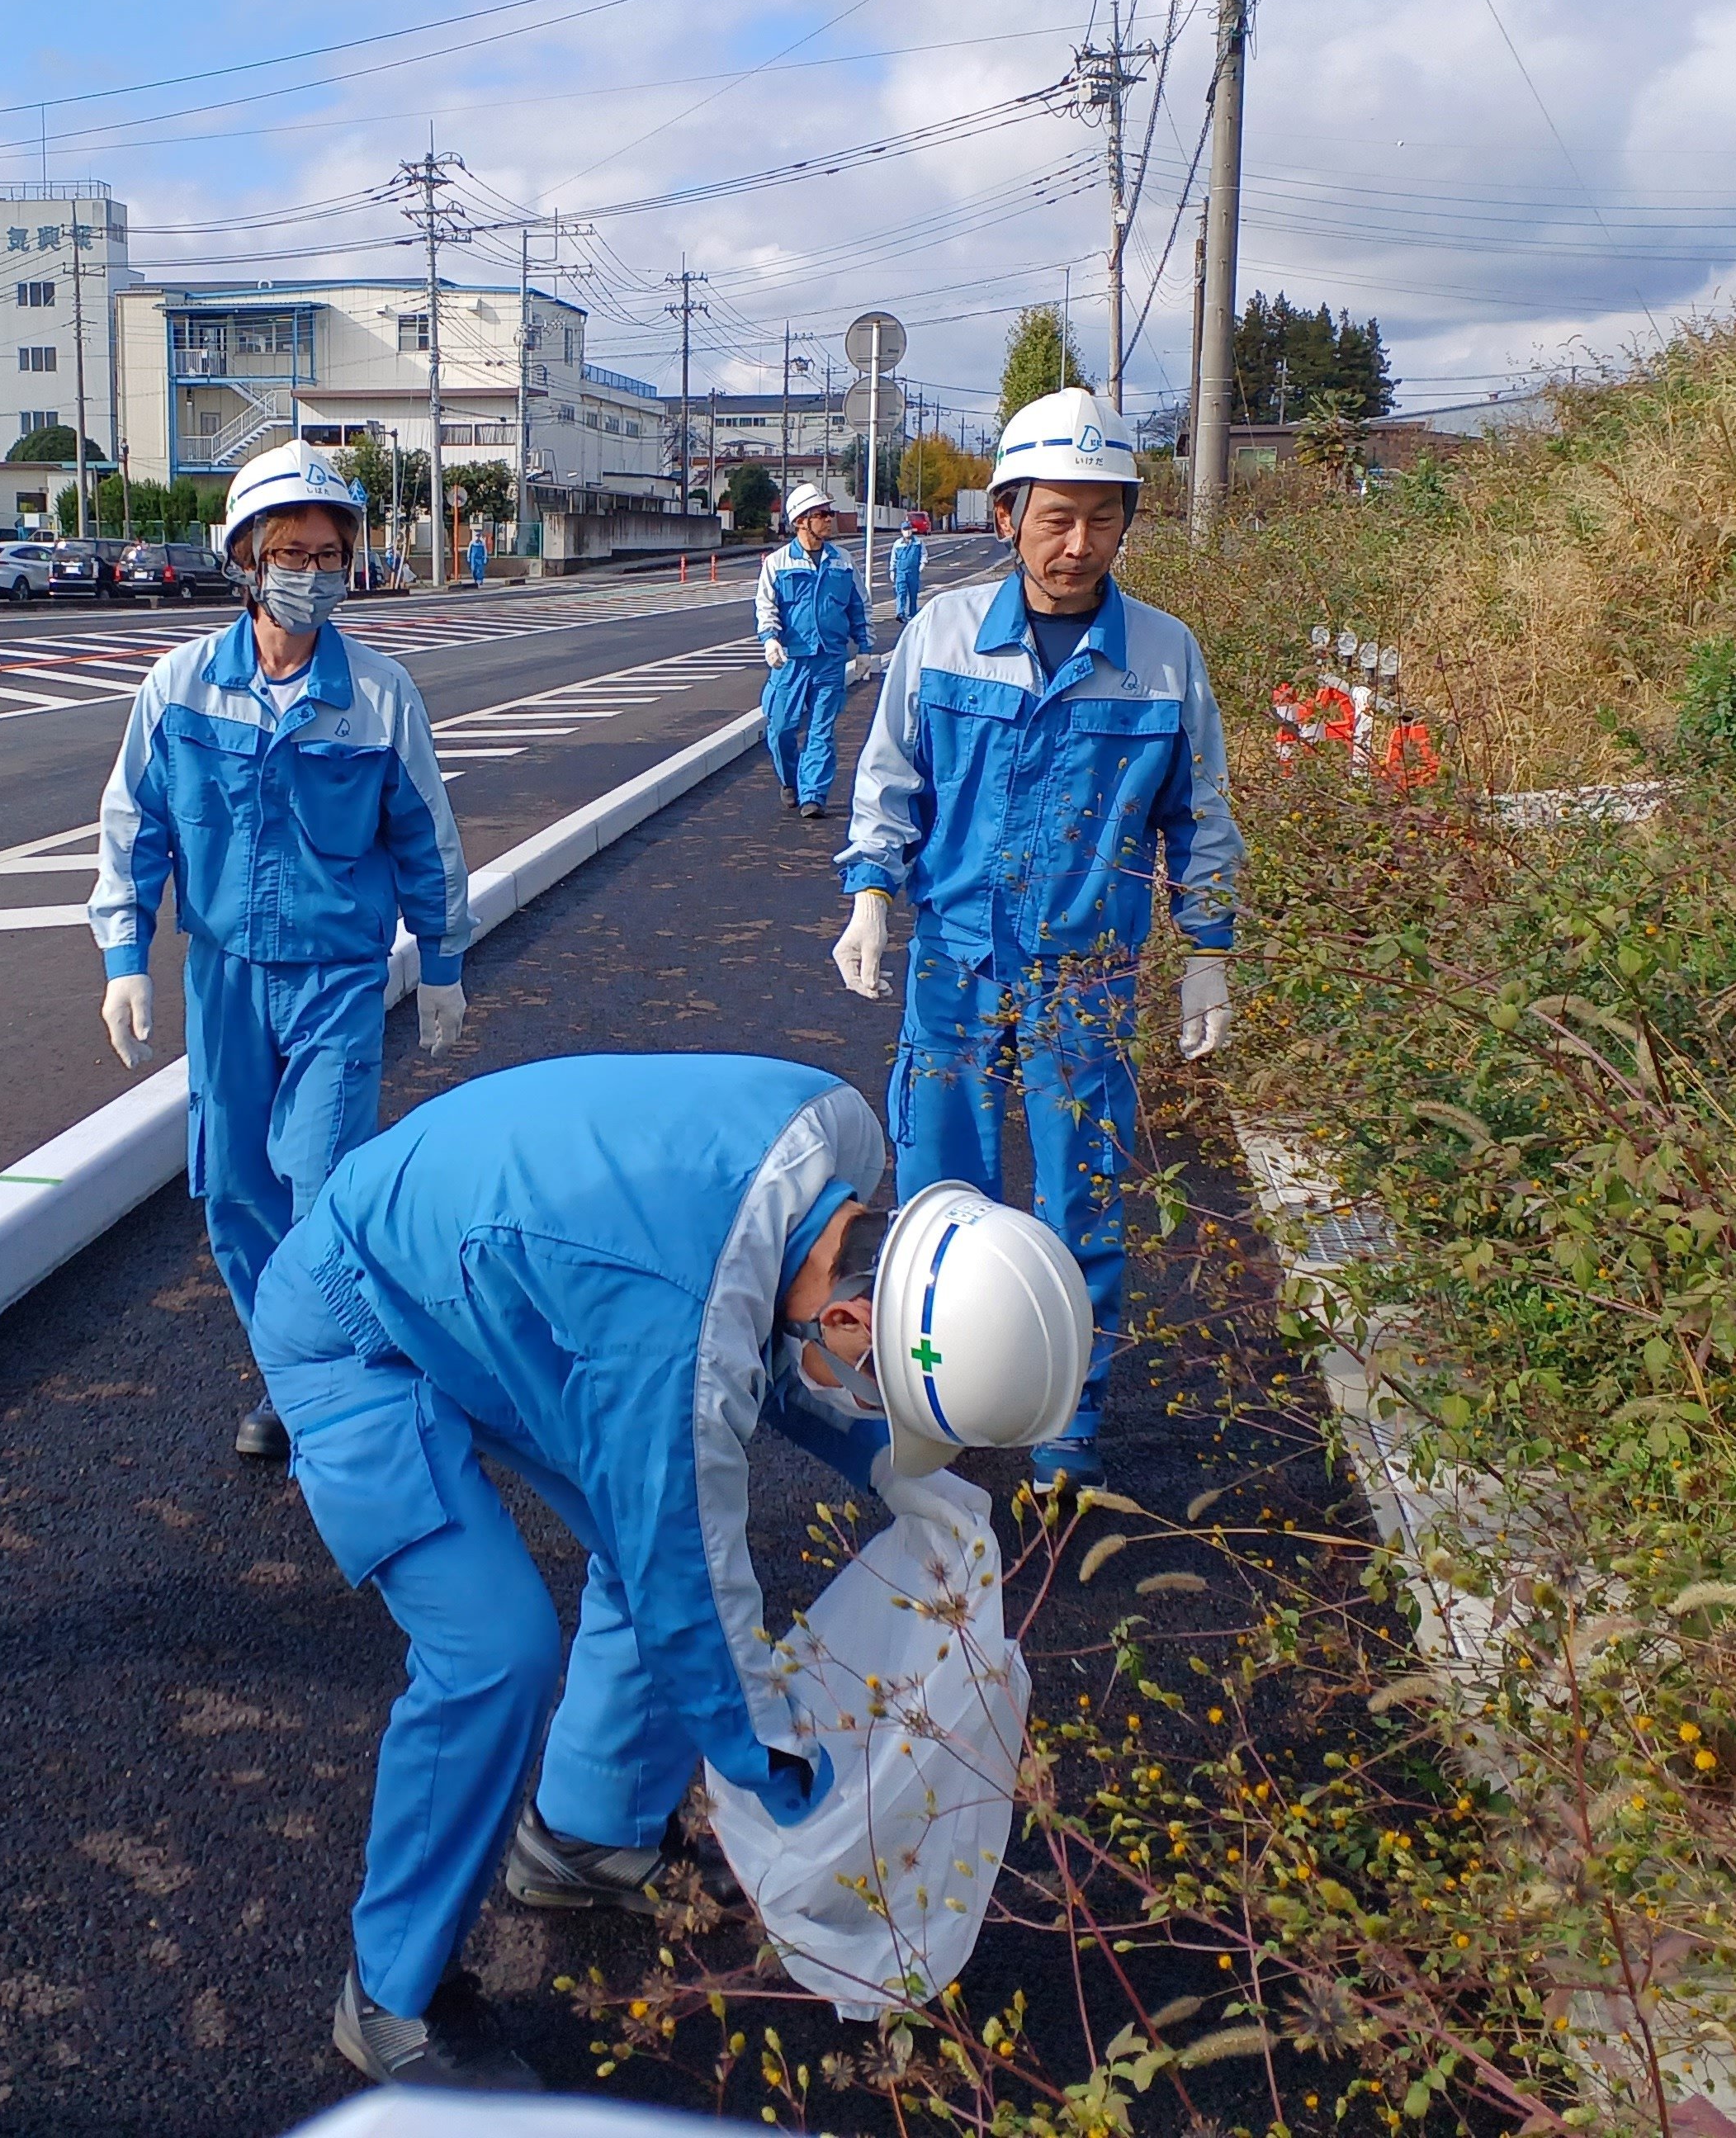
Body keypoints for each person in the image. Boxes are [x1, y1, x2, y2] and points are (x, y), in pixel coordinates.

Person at [253, 1053, 1090, 2090]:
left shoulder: (838, 1144)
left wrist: (886, 1469)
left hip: (494, 1283)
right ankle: (389, 1994)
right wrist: (786, 1775)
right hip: (355, 1323)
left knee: (646, 1527)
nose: (870, 1406)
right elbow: (689, 1556)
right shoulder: (679, 1321)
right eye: (885, 1397)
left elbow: (760, 1344)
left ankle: (584, 1837)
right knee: (496, 1647)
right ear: (850, 1318)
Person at [829, 388, 1242, 1493]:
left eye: (1102, 519)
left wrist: (1208, 947)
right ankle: (930, 1417)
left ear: (1126, 524)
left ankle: (1066, 1424)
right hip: (955, 966)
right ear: (1007, 514)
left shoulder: (1163, 659)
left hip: (1089, 980)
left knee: (1082, 1207)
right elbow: (892, 781)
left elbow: (1198, 815)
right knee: (936, 1208)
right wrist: (872, 894)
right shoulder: (944, 637)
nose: (1077, 543)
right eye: (1055, 516)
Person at [90, 440, 471, 1465]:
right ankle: (290, 1377)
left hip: (335, 980)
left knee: (321, 1186)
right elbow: (136, 826)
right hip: (222, 981)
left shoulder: (380, 696)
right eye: (292, 552)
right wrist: (125, 955)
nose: (313, 573)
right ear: (247, 559)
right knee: (236, 1201)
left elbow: (426, 837)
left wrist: (440, 961)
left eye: (329, 553)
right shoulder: (179, 688)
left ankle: (347, 1389)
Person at [754, 480, 872, 820]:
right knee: (780, 728)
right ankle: (790, 780)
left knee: (822, 730)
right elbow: (766, 607)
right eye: (823, 514)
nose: (830, 520)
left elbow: (858, 606)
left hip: (830, 660)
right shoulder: (777, 564)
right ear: (801, 520)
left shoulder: (842, 562)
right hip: (791, 662)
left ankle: (814, 794)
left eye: (830, 513)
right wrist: (770, 640)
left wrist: (864, 648)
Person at [889, 513, 927, 627]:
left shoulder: (918, 542)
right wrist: (892, 570)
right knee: (901, 592)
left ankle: (912, 613)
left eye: (909, 529)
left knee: (913, 593)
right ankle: (900, 613)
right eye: (905, 529)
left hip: (913, 572)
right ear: (902, 531)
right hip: (901, 572)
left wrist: (923, 563)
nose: (907, 531)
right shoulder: (897, 544)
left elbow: (924, 554)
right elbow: (893, 558)